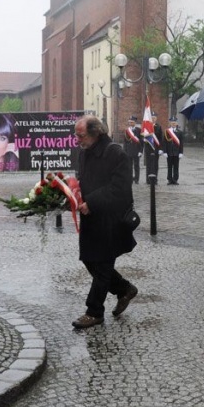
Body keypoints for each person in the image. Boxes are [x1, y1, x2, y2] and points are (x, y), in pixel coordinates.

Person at [72, 115, 137, 329]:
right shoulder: (84, 152)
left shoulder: (115, 153)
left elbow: (120, 189)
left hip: (111, 220)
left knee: (102, 266)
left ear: (95, 133)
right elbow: (83, 181)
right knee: (90, 259)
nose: (77, 139)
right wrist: (71, 196)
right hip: (90, 218)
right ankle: (124, 288)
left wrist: (92, 201)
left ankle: (94, 311)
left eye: (80, 135)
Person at [143, 111, 164, 184]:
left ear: (156, 118)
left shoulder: (158, 127)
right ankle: (148, 179)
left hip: (156, 148)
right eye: (152, 118)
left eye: (154, 118)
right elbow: (143, 136)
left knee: (155, 164)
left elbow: (161, 139)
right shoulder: (147, 126)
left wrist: (161, 149)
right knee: (148, 164)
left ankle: (155, 179)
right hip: (148, 148)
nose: (153, 119)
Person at [164, 116, 184, 185]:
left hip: (176, 152)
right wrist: (165, 151)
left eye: (174, 122)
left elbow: (181, 143)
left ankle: (175, 179)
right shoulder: (167, 131)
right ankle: (169, 179)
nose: (173, 124)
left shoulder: (180, 132)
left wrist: (181, 152)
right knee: (169, 167)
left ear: (176, 123)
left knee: (176, 166)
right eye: (172, 122)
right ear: (170, 123)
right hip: (169, 152)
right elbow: (165, 142)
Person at [122, 115, 142, 184]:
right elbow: (125, 141)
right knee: (129, 166)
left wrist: (140, 151)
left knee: (136, 166)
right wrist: (124, 151)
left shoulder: (139, 130)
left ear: (135, 122)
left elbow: (141, 141)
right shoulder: (127, 130)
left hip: (136, 150)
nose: (131, 123)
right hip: (128, 151)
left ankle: (136, 179)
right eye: (130, 122)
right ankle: (130, 179)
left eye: (132, 122)